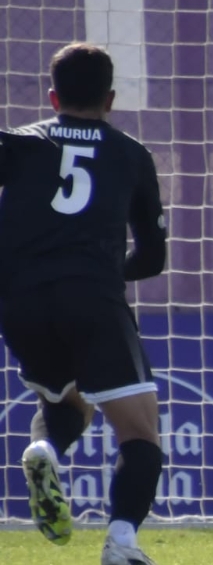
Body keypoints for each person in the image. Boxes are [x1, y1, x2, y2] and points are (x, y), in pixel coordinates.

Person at [0, 43, 169, 565]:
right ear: (110, 99)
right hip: (94, 297)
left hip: (20, 300)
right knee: (140, 431)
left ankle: (45, 450)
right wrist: (101, 270)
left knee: (66, 401)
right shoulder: (132, 154)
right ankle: (121, 544)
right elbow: (153, 258)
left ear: (52, 96)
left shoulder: (17, 144)